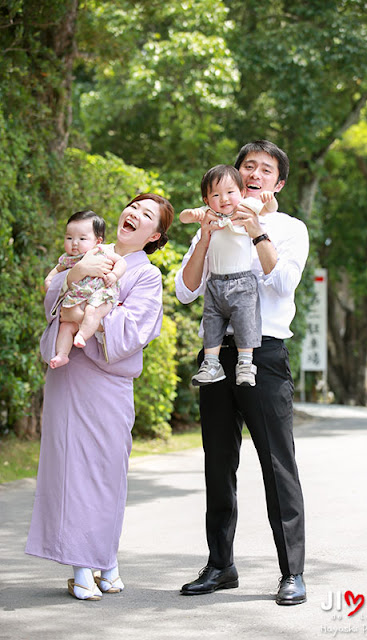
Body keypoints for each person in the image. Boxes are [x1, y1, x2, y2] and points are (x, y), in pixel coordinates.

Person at [175, 140, 309, 605]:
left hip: (266, 355)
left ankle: (292, 571)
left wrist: (256, 231)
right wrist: (209, 235)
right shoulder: (214, 217)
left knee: (277, 463)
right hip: (217, 354)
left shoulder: (289, 228)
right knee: (218, 463)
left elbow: (284, 282)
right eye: (246, 166)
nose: (254, 174)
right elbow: (187, 291)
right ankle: (220, 565)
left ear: (278, 183)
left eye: (265, 169)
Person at [26, 193, 174, 601]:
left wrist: (98, 304)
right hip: (69, 372)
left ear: (154, 234)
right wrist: (76, 277)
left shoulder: (146, 275)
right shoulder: (88, 248)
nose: (135, 214)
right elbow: (52, 298)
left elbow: (135, 330)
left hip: (108, 381)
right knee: (71, 468)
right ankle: (81, 568)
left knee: (108, 471)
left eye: (147, 215)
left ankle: (105, 558)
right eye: (133, 207)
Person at [179, 164, 278, 387]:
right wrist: (193, 214)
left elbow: (269, 208)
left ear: (242, 193)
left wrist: (267, 198)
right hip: (214, 282)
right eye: (216, 194)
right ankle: (211, 364)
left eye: (230, 192)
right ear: (206, 200)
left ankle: (245, 364)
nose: (224, 199)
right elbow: (183, 217)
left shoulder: (246, 208)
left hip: (242, 281)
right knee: (212, 323)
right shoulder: (209, 215)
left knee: (245, 322)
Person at [46, 210, 127, 369]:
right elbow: (53, 274)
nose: (74, 243)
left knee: (92, 310)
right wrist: (50, 283)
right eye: (69, 238)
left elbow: (121, 263)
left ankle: (83, 334)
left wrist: (114, 275)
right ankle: (62, 354)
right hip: (77, 298)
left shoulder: (102, 252)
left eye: (82, 238)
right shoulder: (68, 259)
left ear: (98, 241)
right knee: (65, 327)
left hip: (101, 294)